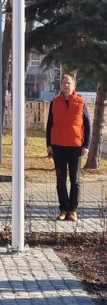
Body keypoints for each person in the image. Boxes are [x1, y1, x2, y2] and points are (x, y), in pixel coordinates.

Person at [46, 73, 91, 222]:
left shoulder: (81, 102)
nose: (66, 85)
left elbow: (88, 125)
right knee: (60, 179)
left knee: (75, 179)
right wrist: (49, 145)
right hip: (58, 146)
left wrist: (86, 145)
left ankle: (73, 210)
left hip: (75, 146)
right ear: (61, 86)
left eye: (69, 83)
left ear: (74, 86)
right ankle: (63, 209)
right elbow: (49, 125)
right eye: (64, 83)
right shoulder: (54, 103)